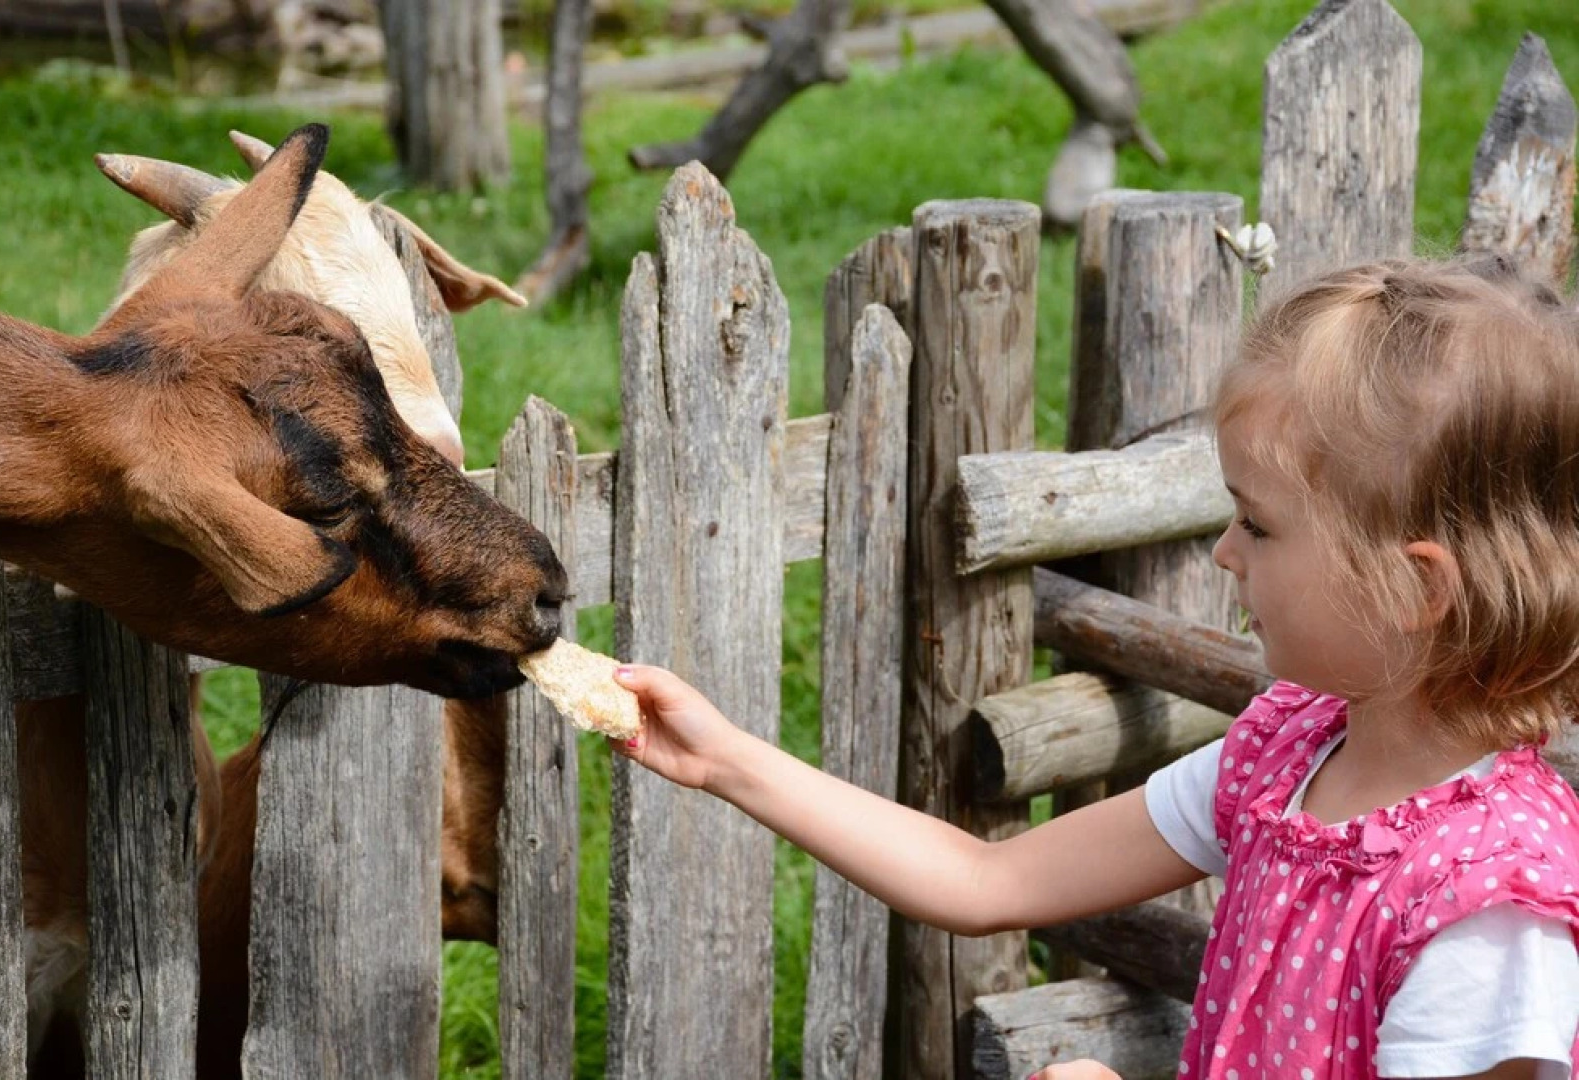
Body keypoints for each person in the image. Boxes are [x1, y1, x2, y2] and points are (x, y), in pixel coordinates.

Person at [609, 256, 1579, 1080]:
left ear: (1414, 591)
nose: (1225, 553)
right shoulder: (1289, 755)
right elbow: (987, 880)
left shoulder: (1487, 916)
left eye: (1259, 522)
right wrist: (728, 759)